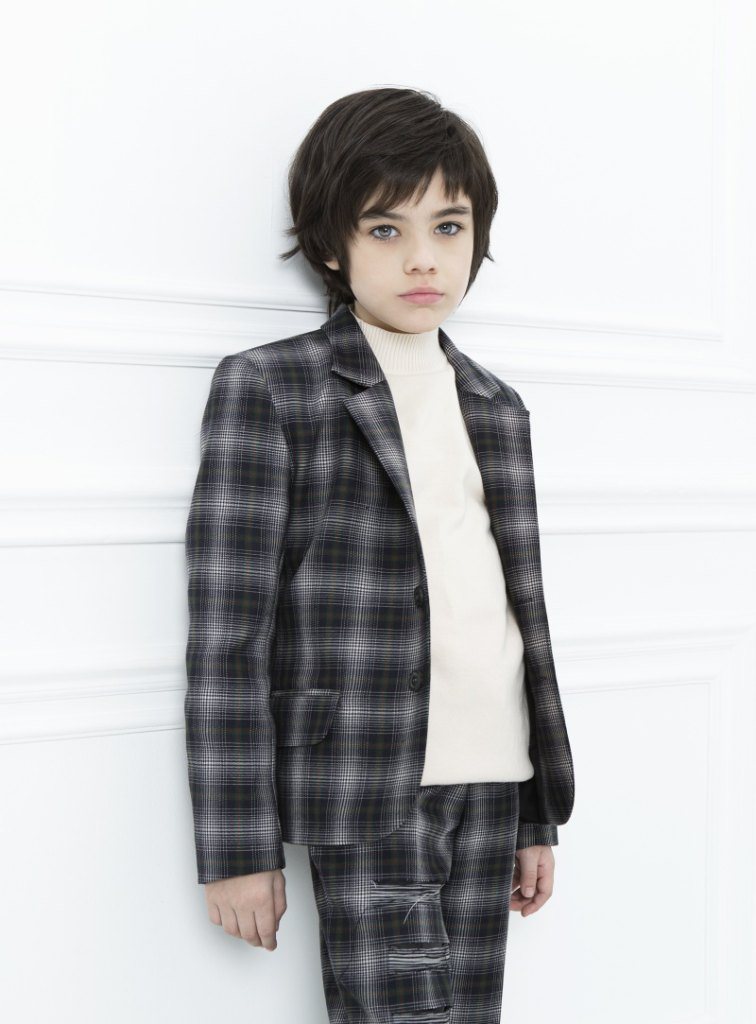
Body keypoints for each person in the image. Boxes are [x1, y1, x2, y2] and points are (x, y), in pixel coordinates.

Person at [184, 85, 575, 1023]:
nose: (424, 257)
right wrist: (237, 844)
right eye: (386, 229)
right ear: (333, 244)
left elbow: (511, 613)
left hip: (496, 779)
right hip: (365, 783)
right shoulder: (273, 387)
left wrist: (534, 812)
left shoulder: (497, 406)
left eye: (448, 226)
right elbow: (229, 634)